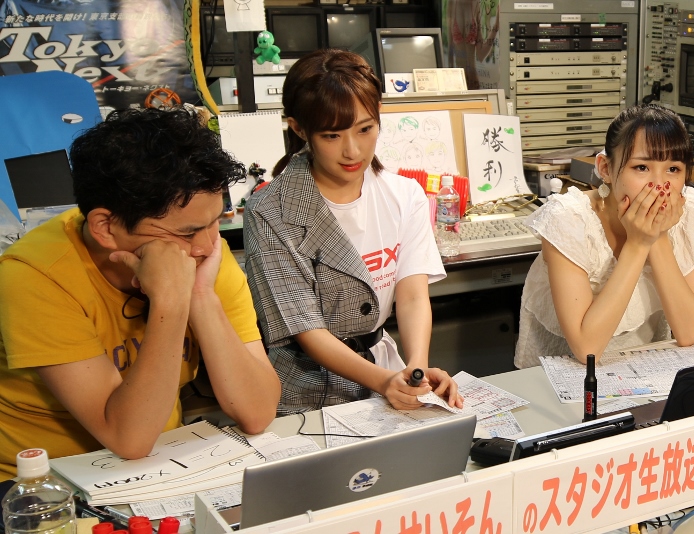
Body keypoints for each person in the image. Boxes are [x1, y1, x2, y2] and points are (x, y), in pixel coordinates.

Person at [0, 107, 281, 480]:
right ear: (105, 227)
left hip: (161, 464)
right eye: (186, 233)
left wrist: (200, 297)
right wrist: (170, 302)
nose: (207, 245)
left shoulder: (200, 251)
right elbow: (128, 438)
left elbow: (257, 412)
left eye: (215, 221)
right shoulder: (34, 275)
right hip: (42, 483)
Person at [244, 49, 462, 415]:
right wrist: (384, 381)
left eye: (365, 129)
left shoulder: (403, 194)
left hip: (385, 372)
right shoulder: (269, 212)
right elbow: (307, 329)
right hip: (306, 391)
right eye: (331, 135)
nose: (352, 150)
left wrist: (416, 374)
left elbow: (411, 296)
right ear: (299, 129)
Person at [515, 104, 694, 367]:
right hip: (559, 374)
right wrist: (639, 243)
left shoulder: (689, 212)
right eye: (641, 167)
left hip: (643, 372)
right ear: (606, 169)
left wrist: (658, 237)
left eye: (673, 169)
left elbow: (689, 332)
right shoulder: (568, 219)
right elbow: (587, 349)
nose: (659, 185)